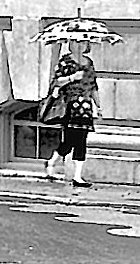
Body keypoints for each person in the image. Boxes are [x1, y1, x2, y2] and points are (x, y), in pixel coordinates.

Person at [43, 42, 101, 188]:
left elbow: (93, 85)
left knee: (82, 140)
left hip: (85, 107)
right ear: (71, 45)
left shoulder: (89, 63)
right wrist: (72, 77)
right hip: (70, 105)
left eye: (83, 43)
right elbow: (56, 82)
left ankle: (77, 176)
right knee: (70, 140)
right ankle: (52, 162)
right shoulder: (65, 61)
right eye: (76, 43)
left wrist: (98, 105)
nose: (80, 46)